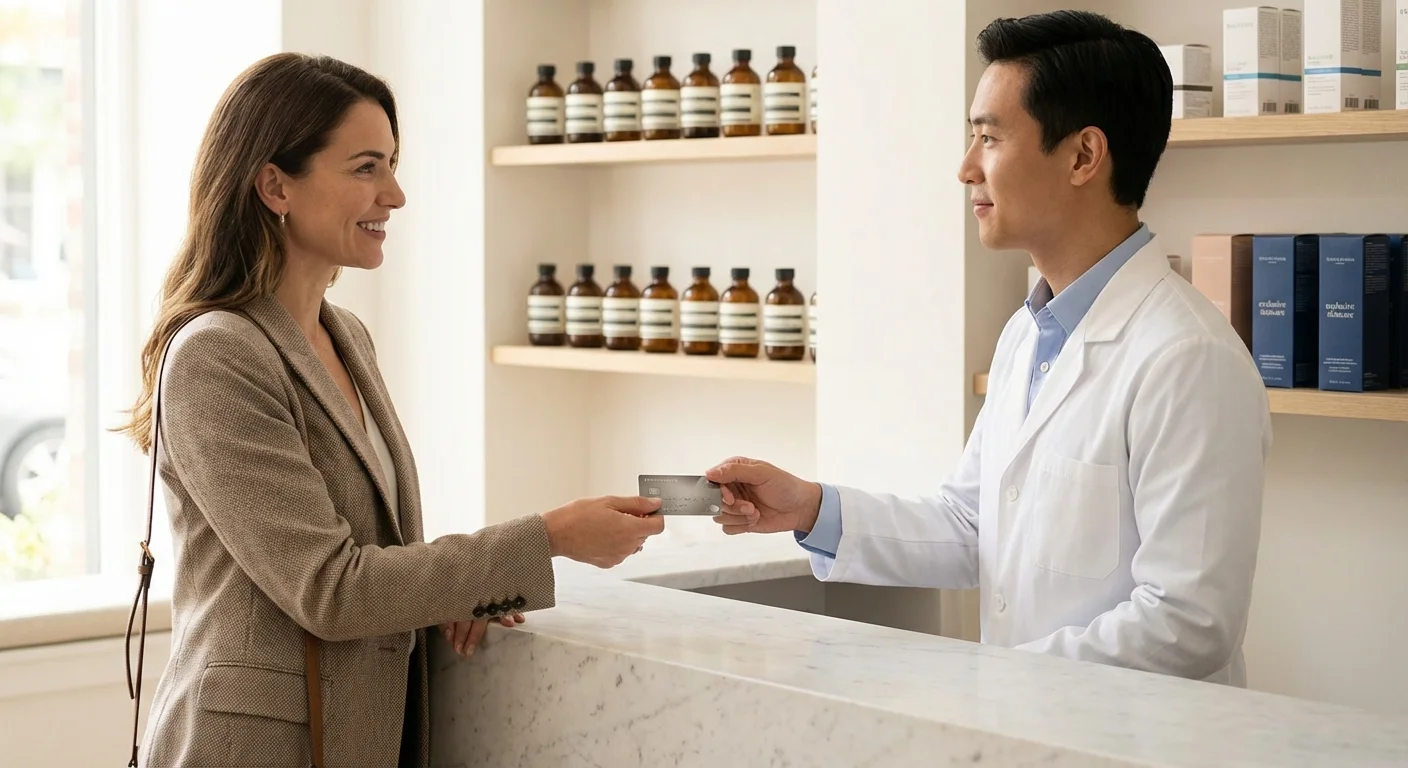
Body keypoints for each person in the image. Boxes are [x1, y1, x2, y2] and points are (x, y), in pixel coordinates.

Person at [116, 53, 665, 768]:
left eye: (393, 165)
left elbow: (375, 554)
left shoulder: (347, 338)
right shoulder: (218, 356)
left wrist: (454, 594)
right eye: (367, 167)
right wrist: (549, 536)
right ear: (275, 184)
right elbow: (331, 588)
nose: (396, 195)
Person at [706, 10, 1271, 686]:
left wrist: (991, 683)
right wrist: (809, 508)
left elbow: (1189, 622)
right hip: (1028, 730)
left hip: (1138, 741)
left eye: (988, 138)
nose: (965, 168)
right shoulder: (1029, 333)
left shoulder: (1187, 358)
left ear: (1084, 156)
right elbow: (974, 526)